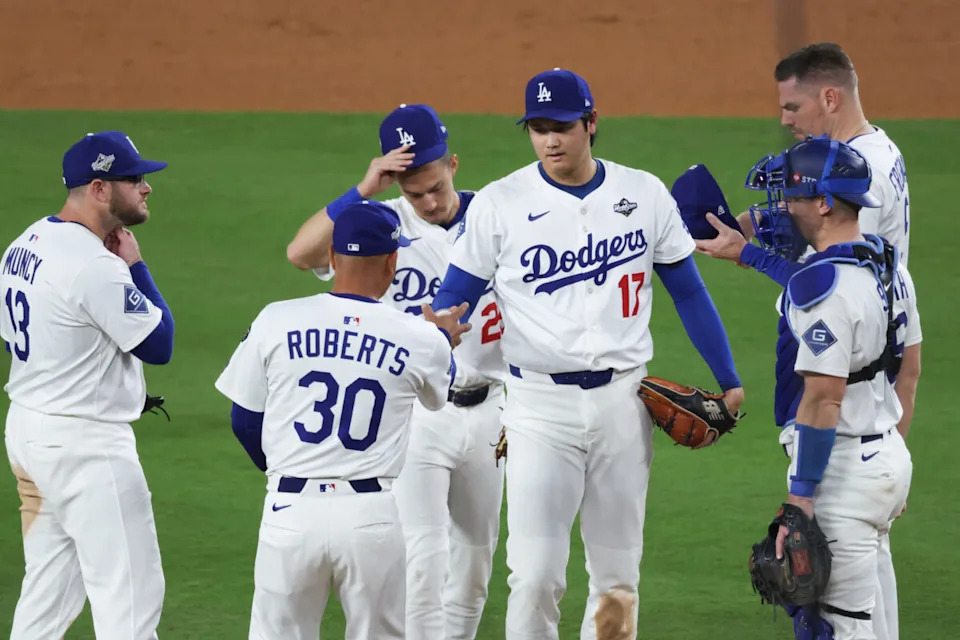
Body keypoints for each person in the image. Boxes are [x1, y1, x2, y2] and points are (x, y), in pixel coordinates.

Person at [431, 68, 745, 639]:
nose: (551, 140)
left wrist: (727, 375)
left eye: (563, 127)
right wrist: (436, 335)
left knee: (618, 578)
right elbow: (454, 295)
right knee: (533, 577)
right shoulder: (500, 203)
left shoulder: (644, 193)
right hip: (535, 408)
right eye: (539, 128)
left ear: (592, 123)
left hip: (625, 404)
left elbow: (689, 291)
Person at [286, 104, 506, 639]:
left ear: (453, 163)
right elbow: (301, 252)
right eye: (414, 193)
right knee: (424, 557)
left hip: (492, 411)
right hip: (416, 415)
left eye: (435, 186)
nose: (428, 203)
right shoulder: (383, 225)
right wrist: (363, 189)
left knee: (476, 565)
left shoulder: (499, 218)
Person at [216, 200, 471, 640]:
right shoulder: (417, 336)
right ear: (392, 262)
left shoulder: (276, 319)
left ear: (332, 258)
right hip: (370, 517)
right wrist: (442, 337)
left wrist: (288, 469)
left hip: (290, 511)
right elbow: (440, 391)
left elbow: (243, 418)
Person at [703, 137, 920, 638]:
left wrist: (801, 497)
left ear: (823, 203)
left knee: (834, 628)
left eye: (792, 196)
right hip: (883, 455)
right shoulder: (884, 263)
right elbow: (908, 361)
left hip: (840, 470)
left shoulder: (824, 287)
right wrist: (749, 255)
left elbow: (823, 399)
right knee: (875, 619)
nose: (782, 207)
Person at [2, 130, 175, 639]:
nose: (146, 189)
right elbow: (159, 343)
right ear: (100, 189)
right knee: (131, 599)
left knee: (47, 594)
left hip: (30, 432)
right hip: (86, 447)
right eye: (134, 180)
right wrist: (136, 266)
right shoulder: (94, 264)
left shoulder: (23, 244)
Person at [738, 42, 911, 269]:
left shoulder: (864, 176)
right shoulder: (872, 149)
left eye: (793, 107)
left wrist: (749, 254)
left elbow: (837, 281)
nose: (785, 120)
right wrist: (760, 220)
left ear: (830, 99)